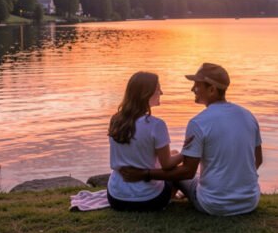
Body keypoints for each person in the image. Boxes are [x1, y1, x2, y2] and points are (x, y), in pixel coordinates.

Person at [120, 63, 263, 216]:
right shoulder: (248, 116)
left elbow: (187, 172)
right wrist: (235, 181)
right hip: (250, 201)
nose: (192, 89)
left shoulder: (198, 123)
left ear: (212, 89)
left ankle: (168, 199)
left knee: (176, 173)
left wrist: (146, 174)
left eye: (196, 85)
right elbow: (258, 160)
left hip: (213, 204)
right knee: (184, 166)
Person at [107, 71, 183, 211]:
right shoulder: (156, 125)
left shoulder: (116, 120)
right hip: (149, 199)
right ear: (146, 93)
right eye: (158, 89)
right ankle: (171, 197)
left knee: (173, 152)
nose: (162, 92)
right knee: (174, 167)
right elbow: (167, 165)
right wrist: (187, 152)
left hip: (116, 198)